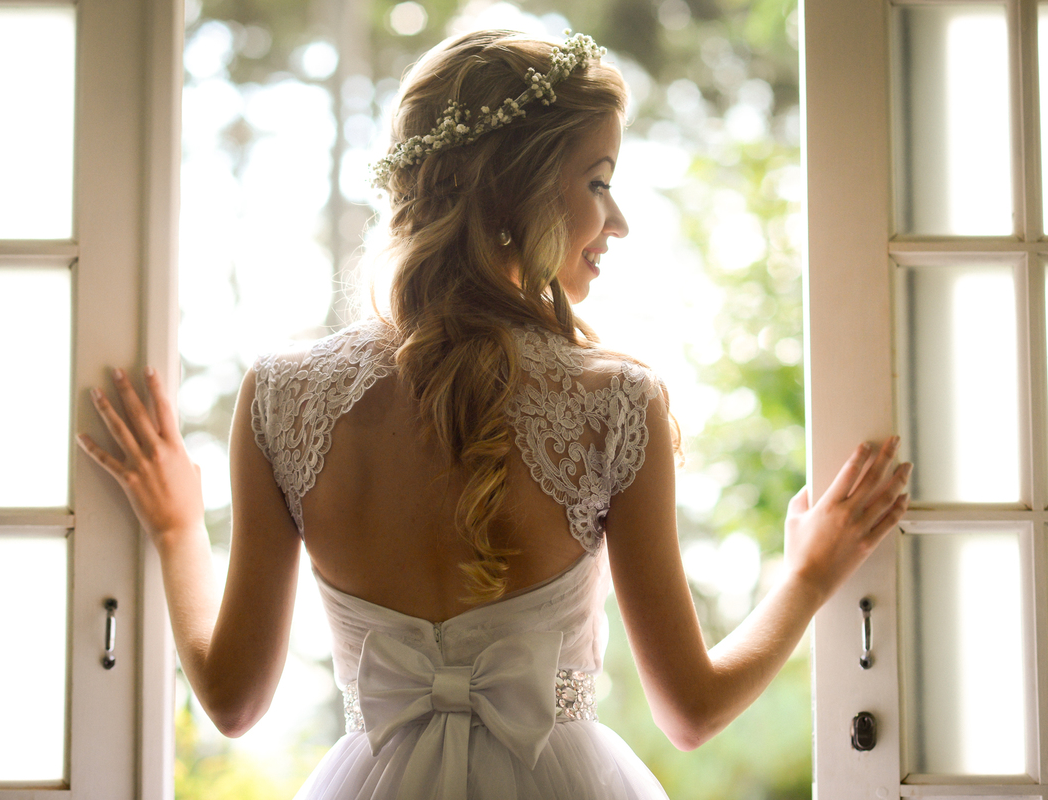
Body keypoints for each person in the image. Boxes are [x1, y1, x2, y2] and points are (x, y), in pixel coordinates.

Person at [78, 29, 911, 800]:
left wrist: (178, 531)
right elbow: (690, 712)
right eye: (598, 184)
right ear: (515, 192)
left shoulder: (280, 397)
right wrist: (808, 576)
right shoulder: (617, 404)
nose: (616, 221)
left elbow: (232, 702)